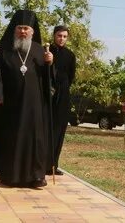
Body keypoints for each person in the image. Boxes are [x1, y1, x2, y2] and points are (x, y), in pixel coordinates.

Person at [0, 10, 53, 188]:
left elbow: (48, 77)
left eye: (26, 28)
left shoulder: (39, 50)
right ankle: (9, 175)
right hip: (9, 104)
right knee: (10, 137)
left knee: (34, 139)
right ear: (14, 29)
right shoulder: (4, 50)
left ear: (32, 31)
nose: (23, 32)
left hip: (34, 106)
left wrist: (50, 63)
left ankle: (36, 176)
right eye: (19, 28)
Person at [48, 25, 76, 176]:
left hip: (63, 94)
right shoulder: (46, 51)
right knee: (47, 129)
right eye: (59, 36)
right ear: (54, 35)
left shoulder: (70, 55)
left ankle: (53, 164)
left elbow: (71, 76)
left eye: (65, 36)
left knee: (59, 130)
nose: (62, 39)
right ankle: (42, 163)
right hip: (48, 94)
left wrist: (62, 88)